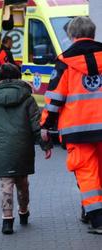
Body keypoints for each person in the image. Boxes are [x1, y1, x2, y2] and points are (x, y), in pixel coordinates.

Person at [41, 16, 102, 234]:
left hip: (77, 130)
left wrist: (46, 126)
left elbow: (55, 99)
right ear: (92, 33)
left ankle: (98, 220)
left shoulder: (65, 61)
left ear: (72, 35)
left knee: (87, 174)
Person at [0, 63, 52, 234]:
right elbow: (36, 124)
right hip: (22, 146)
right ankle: (23, 213)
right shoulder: (27, 98)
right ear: (18, 77)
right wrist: (45, 145)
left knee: (6, 184)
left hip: (1, 147)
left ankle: (7, 221)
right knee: (22, 183)